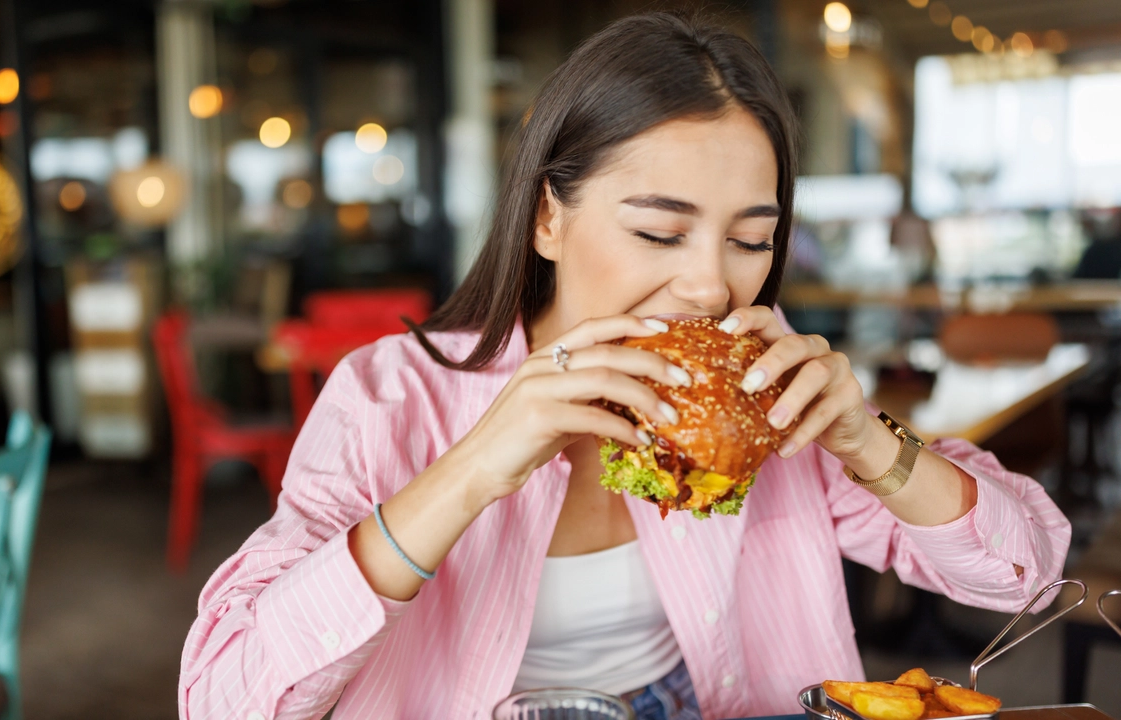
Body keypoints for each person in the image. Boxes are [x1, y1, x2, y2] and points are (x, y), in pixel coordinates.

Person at [179, 14, 1069, 720]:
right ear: (547, 220)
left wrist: (867, 442)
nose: (709, 283)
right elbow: (225, 700)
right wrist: (472, 469)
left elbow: (1023, 576)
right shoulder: (387, 396)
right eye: (658, 230)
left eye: (751, 239)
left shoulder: (767, 392)